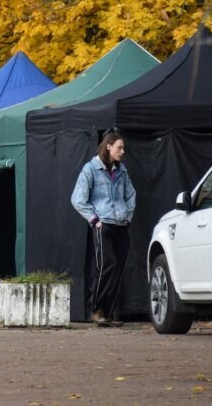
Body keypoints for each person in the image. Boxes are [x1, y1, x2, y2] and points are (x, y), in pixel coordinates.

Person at [71, 131, 136, 327]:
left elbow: (131, 194)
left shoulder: (121, 170)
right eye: (119, 147)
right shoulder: (90, 169)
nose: (122, 151)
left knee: (118, 269)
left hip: (121, 224)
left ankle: (106, 312)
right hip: (103, 224)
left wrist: (128, 216)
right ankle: (95, 310)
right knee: (106, 266)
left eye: (123, 148)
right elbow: (77, 199)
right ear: (108, 146)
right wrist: (94, 219)